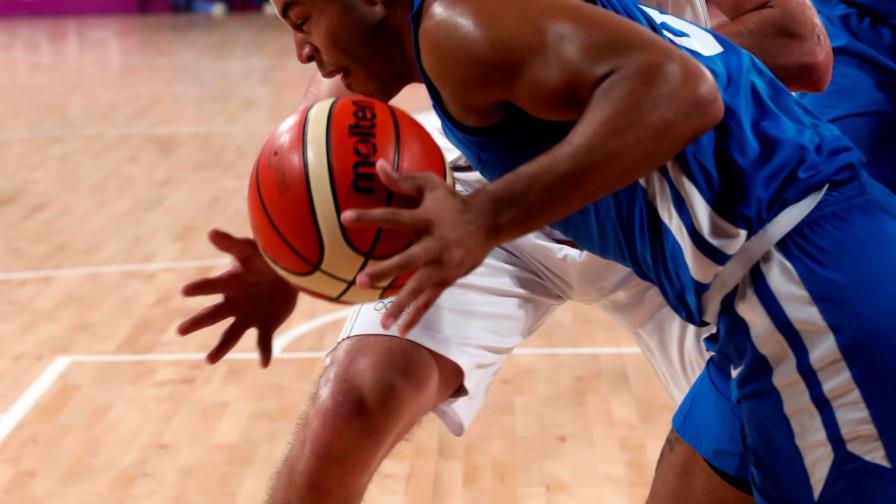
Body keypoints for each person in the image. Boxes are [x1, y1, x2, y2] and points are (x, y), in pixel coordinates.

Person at [179, 0, 849, 502]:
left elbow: (802, 46)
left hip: (669, 189)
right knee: (352, 402)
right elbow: (351, 53)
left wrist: (587, 78)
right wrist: (293, 247)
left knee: (749, 468)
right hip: (483, 187)